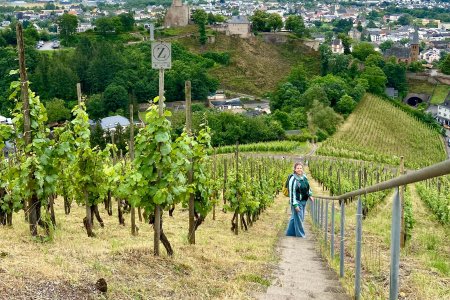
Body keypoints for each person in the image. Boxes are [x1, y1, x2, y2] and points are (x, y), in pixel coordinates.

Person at [286, 162, 314, 237]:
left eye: (300, 168)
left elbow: (308, 187)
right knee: (299, 218)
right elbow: (292, 193)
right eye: (298, 168)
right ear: (295, 169)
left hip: (304, 201)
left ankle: (290, 233)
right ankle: (301, 235)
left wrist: (310, 194)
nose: (299, 169)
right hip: (297, 201)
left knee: (295, 217)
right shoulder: (293, 179)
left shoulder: (304, 177)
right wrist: (295, 204)